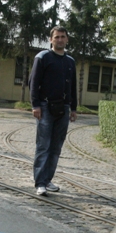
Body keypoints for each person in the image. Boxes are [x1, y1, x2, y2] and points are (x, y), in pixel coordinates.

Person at [29, 26, 77, 196]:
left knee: (56, 147)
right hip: (45, 107)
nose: (60, 40)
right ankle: (40, 183)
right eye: (57, 37)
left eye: (63, 37)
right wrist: (35, 105)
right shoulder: (42, 58)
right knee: (43, 145)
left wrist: (74, 108)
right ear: (51, 39)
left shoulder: (70, 61)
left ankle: (48, 179)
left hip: (63, 108)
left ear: (67, 39)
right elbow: (34, 83)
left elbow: (73, 86)